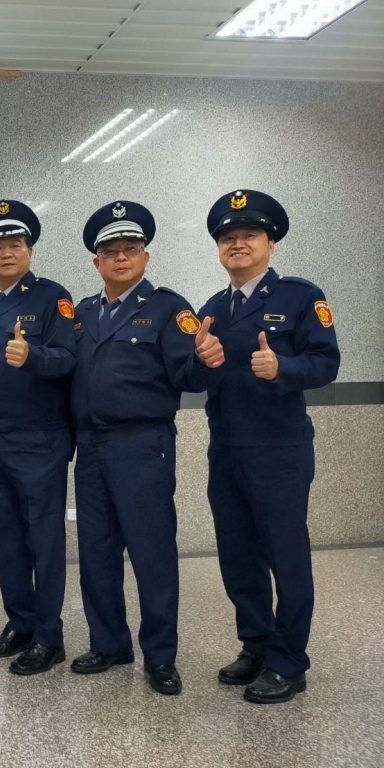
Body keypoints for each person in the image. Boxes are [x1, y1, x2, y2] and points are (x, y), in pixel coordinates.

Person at [70, 200, 224, 696]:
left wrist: (206, 360)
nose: (120, 257)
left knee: (151, 551)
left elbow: (188, 375)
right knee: (96, 550)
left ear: (145, 256)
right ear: (96, 261)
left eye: (130, 248)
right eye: (110, 251)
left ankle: (160, 656)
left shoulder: (167, 308)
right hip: (91, 448)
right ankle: (109, 643)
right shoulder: (83, 312)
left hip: (142, 445)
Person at [199, 190, 339, 704]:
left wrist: (283, 368)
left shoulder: (300, 297)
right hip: (227, 448)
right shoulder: (213, 308)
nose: (237, 244)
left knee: (286, 555)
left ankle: (288, 660)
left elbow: (326, 363)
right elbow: (197, 375)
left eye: (249, 236)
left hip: (279, 449)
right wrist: (199, 360)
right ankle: (256, 644)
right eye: (228, 238)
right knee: (238, 556)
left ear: (271, 244)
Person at [0, 199, 75, 675]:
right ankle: (20, 623)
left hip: (39, 440)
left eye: (15, 244)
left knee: (44, 539)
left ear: (29, 250)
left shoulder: (52, 298)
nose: (6, 252)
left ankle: (49, 636)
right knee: (7, 536)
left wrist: (33, 356)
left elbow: (69, 359)